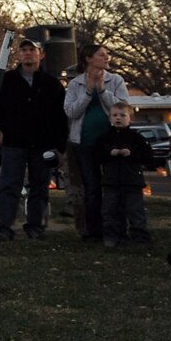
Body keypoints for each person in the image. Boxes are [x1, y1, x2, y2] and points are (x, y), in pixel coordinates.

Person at [0, 37, 67, 238]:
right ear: (19, 55)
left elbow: (60, 116)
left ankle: (35, 225)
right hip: (14, 142)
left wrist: (59, 146)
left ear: (41, 54)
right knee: (9, 185)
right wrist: (2, 129)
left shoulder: (52, 84)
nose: (27, 53)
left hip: (43, 144)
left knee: (40, 185)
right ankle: (5, 226)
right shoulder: (6, 81)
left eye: (32, 50)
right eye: (23, 50)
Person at [62, 43, 130, 241]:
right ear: (88, 59)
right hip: (84, 143)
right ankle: (93, 231)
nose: (106, 58)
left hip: (111, 142)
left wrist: (102, 91)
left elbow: (124, 108)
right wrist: (88, 93)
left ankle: (116, 228)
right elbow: (71, 111)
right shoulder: (76, 84)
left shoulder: (115, 80)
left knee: (113, 185)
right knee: (91, 187)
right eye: (101, 55)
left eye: (107, 54)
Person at [96, 105, 155, 246]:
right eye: (115, 115)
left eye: (123, 115)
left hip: (133, 181)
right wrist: (110, 153)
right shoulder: (104, 138)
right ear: (110, 118)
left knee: (136, 212)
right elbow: (96, 156)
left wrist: (132, 154)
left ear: (130, 119)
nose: (118, 118)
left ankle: (140, 238)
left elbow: (148, 157)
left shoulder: (137, 138)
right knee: (110, 212)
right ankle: (113, 237)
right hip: (111, 182)